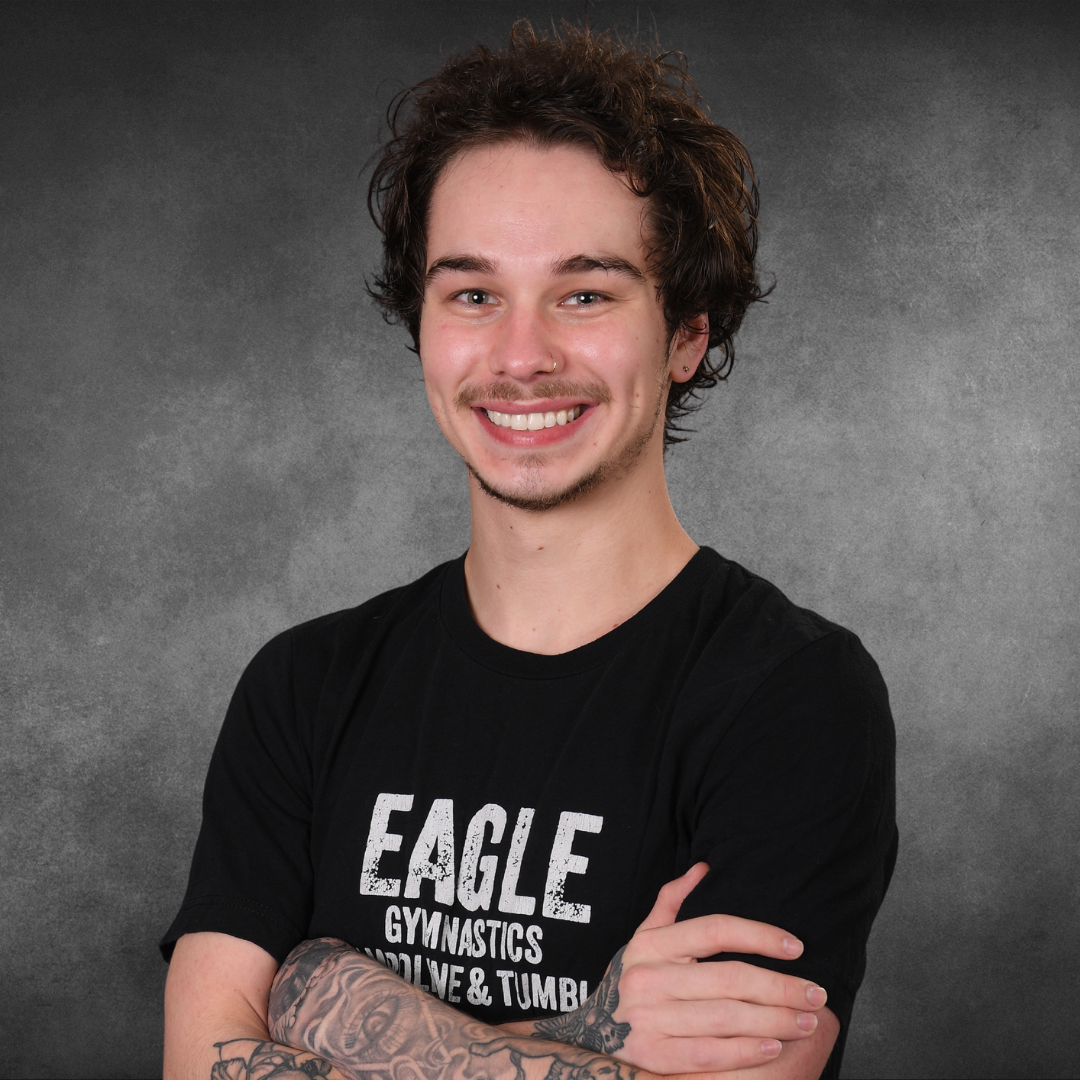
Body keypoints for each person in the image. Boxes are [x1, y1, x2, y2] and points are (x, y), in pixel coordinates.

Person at [161, 22, 897, 1080]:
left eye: (584, 293)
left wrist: (321, 995)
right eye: (473, 294)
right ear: (422, 324)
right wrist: (596, 1031)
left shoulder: (792, 696)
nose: (521, 356)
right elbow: (200, 1065)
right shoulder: (304, 687)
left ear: (687, 334)